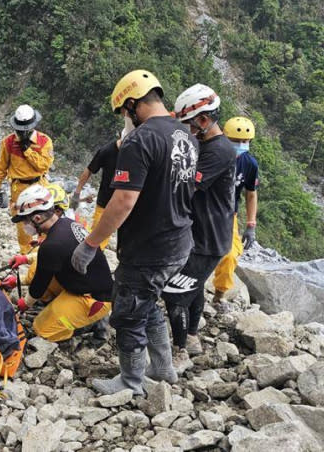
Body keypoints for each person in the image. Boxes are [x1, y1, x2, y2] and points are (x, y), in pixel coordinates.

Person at [70, 69, 199, 395]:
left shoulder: (140, 140)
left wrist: (90, 243)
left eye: (125, 112)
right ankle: (163, 368)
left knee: (127, 313)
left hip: (150, 248)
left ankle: (131, 381)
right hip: (179, 240)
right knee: (147, 301)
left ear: (131, 104)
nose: (126, 119)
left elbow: (123, 201)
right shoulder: (185, 135)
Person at [161, 84, 236, 358]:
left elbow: (186, 187)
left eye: (189, 124)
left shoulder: (218, 151)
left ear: (203, 120)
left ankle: (180, 351)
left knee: (174, 294)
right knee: (192, 286)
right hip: (202, 234)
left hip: (208, 239)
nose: (186, 130)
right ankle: (192, 337)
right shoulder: (205, 144)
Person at [7, 185, 112, 342]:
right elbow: (57, 256)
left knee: (42, 329)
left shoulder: (52, 245)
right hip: (89, 283)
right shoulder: (66, 223)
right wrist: (26, 259)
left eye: (25, 221)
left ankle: (85, 325)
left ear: (36, 218)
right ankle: (63, 309)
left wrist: (25, 304)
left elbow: (38, 286)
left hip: (93, 298)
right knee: (40, 272)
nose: (24, 226)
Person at [0, 105, 54, 253]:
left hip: (39, 185)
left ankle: (44, 253)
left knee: (44, 220)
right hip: (18, 188)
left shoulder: (44, 141)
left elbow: (43, 165)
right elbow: (2, 166)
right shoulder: (8, 142)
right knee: (24, 227)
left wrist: (28, 150)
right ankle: (25, 255)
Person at [211, 117, 259, 303]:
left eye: (244, 141)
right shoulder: (212, 155)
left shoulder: (249, 164)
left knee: (230, 254)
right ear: (224, 137)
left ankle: (219, 294)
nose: (240, 145)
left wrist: (251, 225)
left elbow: (251, 194)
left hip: (228, 214)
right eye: (235, 141)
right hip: (203, 209)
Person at [72, 138, 119, 250]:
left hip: (127, 202)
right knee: (97, 236)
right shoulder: (107, 150)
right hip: (105, 202)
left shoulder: (137, 151)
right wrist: (77, 193)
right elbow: (89, 170)